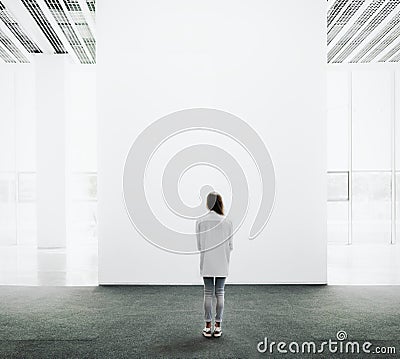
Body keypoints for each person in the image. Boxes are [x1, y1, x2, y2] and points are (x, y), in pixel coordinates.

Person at [196, 192, 233, 338]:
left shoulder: (200, 221)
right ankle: (218, 326)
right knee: (220, 292)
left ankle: (207, 326)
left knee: (208, 293)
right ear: (220, 203)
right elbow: (231, 245)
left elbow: (199, 245)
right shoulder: (228, 222)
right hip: (222, 261)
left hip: (207, 262)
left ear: (208, 203)